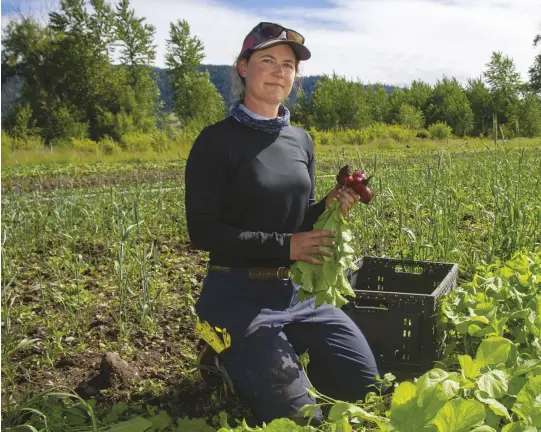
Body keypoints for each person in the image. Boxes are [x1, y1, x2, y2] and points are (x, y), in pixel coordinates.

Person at [184, 22, 380, 426]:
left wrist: (327, 205)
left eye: (288, 65)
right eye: (267, 60)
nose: (279, 71)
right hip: (237, 294)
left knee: (366, 388)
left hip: (296, 292)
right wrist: (286, 246)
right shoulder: (216, 141)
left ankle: (275, 354)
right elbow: (202, 232)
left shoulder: (300, 140)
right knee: (305, 420)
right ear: (242, 67)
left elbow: (297, 216)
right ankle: (224, 355)